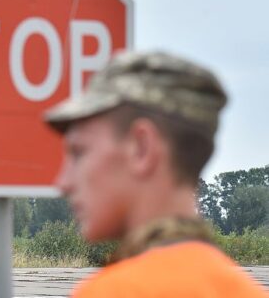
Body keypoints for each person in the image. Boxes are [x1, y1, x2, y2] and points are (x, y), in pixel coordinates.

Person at [44, 51, 266, 297]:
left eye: (79, 152)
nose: (63, 183)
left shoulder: (111, 291)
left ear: (142, 148)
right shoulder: (247, 290)